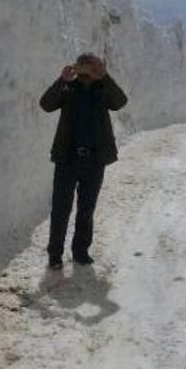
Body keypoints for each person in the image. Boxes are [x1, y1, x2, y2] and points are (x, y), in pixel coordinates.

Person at [39, 53, 128, 269]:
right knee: (61, 209)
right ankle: (55, 254)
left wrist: (105, 77)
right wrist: (62, 80)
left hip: (95, 160)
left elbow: (120, 102)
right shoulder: (68, 88)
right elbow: (46, 104)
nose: (87, 71)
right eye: (84, 66)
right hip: (66, 159)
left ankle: (80, 251)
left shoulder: (102, 89)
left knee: (86, 210)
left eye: (91, 66)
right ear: (77, 67)